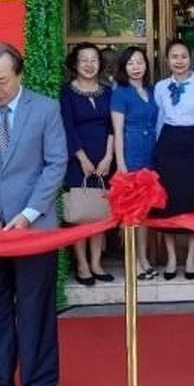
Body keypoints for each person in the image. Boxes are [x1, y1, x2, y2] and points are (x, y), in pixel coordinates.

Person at [0, 42, 67, 386]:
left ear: (19, 74)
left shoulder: (46, 110)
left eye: (1, 81)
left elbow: (55, 164)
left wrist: (28, 213)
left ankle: (38, 383)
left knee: (36, 308)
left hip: (34, 228)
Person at [153, 39, 194, 280]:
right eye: (174, 56)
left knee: (193, 201)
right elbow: (159, 119)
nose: (179, 61)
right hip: (167, 145)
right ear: (167, 60)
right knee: (167, 203)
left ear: (191, 59)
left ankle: (191, 256)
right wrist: (156, 152)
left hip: (193, 145)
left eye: (183, 56)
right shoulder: (160, 87)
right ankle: (171, 257)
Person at [60, 42, 115, 285]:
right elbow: (67, 127)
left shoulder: (108, 91)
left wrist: (108, 157)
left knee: (100, 212)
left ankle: (96, 263)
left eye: (94, 60)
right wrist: (81, 158)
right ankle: (82, 265)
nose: (90, 64)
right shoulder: (67, 92)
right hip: (77, 159)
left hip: (104, 159)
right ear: (75, 63)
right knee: (80, 212)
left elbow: (114, 127)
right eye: (84, 60)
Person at [111, 46, 159, 280]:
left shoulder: (151, 90)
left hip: (151, 153)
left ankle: (144, 257)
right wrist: (121, 165)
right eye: (130, 63)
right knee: (131, 213)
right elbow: (117, 131)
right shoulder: (120, 92)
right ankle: (133, 262)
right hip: (131, 153)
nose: (136, 67)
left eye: (140, 62)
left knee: (146, 211)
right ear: (124, 67)